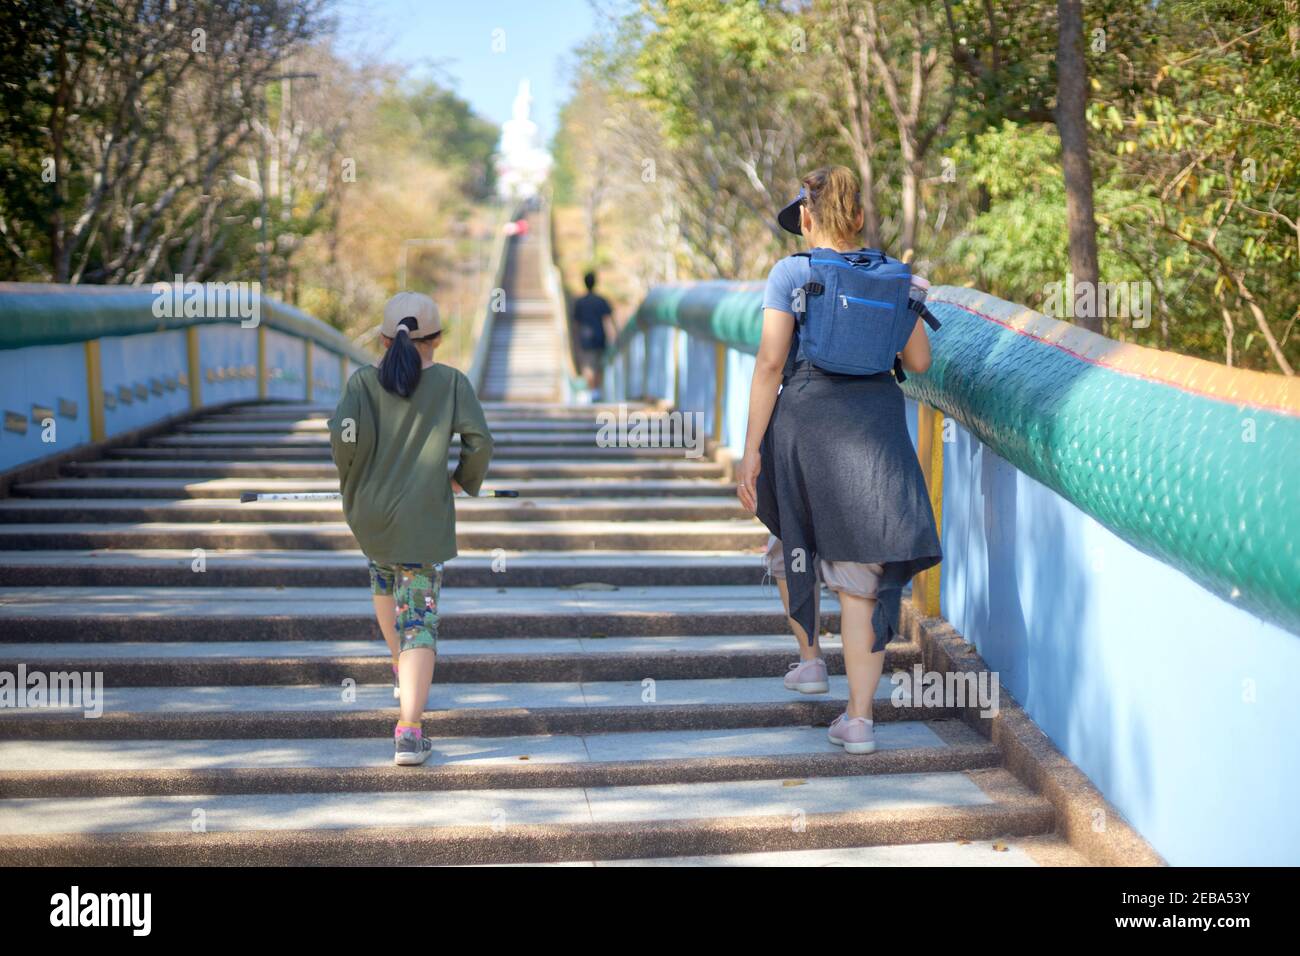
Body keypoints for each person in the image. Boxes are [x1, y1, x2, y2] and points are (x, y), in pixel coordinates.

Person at [736, 165, 942, 755]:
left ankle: (809, 659)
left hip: (803, 426)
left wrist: (750, 452)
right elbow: (921, 363)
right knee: (861, 580)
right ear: (857, 217)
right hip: (875, 429)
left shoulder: (790, 273)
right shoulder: (896, 278)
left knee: (788, 542)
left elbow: (771, 363)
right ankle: (859, 721)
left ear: (805, 217)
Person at [328, 291, 494, 766]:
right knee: (418, 615)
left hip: (372, 513)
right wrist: (462, 480)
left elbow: (341, 437)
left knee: (383, 575)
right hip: (422, 514)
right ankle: (409, 730)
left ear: (382, 339)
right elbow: (479, 441)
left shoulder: (361, 382)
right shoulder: (451, 383)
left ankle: (401, 668)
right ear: (438, 339)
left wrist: (354, 479)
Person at [572, 271, 614, 397]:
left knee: (587, 365)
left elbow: (576, 324)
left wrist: (575, 340)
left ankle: (591, 391)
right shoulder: (601, 300)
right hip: (600, 336)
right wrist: (613, 336)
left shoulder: (580, 302)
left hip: (585, 337)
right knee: (598, 365)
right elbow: (609, 320)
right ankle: (596, 391)